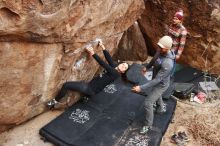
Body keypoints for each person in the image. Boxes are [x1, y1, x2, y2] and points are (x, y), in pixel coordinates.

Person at [47, 42, 129, 109]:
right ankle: (86, 97)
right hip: (94, 89)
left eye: (124, 67)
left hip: (90, 88)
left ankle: (55, 101)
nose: (123, 66)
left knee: (66, 85)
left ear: (123, 71)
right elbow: (109, 59)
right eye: (123, 64)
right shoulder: (115, 67)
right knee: (86, 92)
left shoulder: (115, 74)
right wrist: (103, 47)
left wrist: (93, 53)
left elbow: (103, 64)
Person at [132, 36, 175, 134]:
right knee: (155, 95)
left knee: (148, 102)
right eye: (159, 46)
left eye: (161, 47)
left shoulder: (168, 63)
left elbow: (157, 80)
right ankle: (161, 107)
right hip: (156, 79)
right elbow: (154, 59)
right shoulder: (160, 50)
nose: (158, 48)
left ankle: (148, 125)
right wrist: (147, 67)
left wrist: (141, 87)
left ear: (167, 48)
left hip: (161, 84)